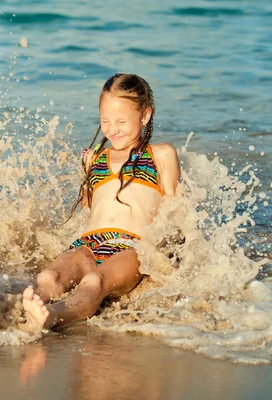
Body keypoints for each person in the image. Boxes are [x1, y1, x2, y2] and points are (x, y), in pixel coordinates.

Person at [22, 73, 180, 330]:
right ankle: (27, 306)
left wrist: (169, 262)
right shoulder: (93, 158)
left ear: (145, 115)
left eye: (121, 121)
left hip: (133, 247)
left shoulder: (161, 155)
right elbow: (88, 209)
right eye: (105, 120)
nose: (111, 129)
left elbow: (176, 211)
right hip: (89, 242)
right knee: (49, 276)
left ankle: (53, 315)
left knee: (94, 282)